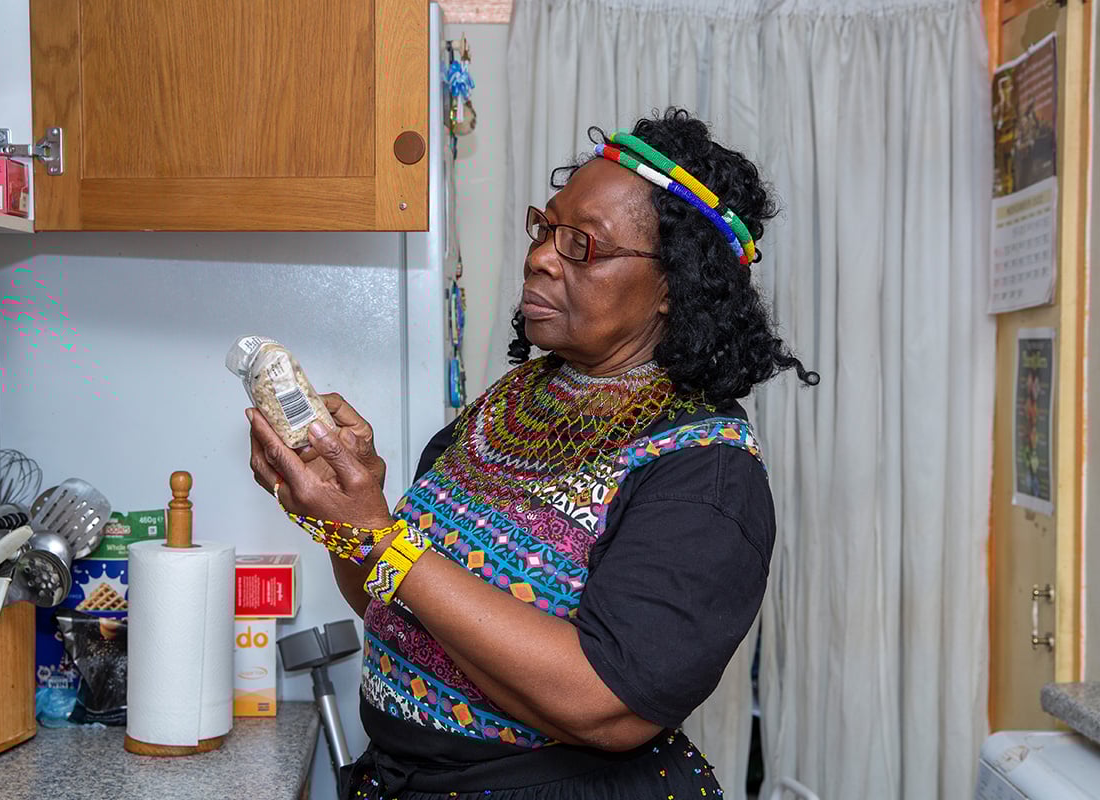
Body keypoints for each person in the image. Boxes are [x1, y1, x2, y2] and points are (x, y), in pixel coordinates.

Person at [247, 107, 817, 800]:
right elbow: (400, 608)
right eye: (546, 227)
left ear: (673, 285)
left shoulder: (705, 473)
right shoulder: (508, 406)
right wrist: (345, 514)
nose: (542, 254)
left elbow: (605, 702)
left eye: (583, 243)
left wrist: (380, 540)